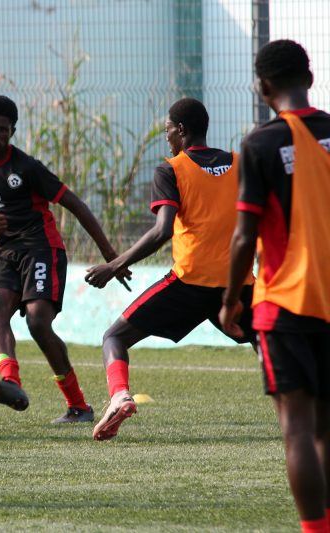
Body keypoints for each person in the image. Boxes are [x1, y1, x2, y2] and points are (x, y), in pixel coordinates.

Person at [86, 97, 255, 441]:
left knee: (114, 337)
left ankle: (120, 396)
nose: (166, 138)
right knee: (267, 343)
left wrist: (114, 265)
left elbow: (162, 231)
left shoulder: (171, 169)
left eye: (167, 130)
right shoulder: (241, 164)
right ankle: (307, 402)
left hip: (189, 283)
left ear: (181, 129)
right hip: (237, 283)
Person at [0, 95, 129, 424]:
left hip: (42, 248)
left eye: (2, 130)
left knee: (37, 323)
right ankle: (10, 381)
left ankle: (78, 406)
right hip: (8, 252)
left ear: (12, 131)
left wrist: (112, 257)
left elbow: (76, 205)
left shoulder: (27, 168)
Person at [219, 40, 330, 533]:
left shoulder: (261, 144)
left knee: (297, 429)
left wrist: (229, 302)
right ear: (310, 77)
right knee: (326, 428)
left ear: (262, 87)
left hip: (285, 302)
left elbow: (244, 235)